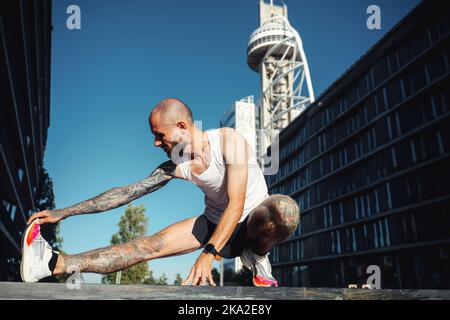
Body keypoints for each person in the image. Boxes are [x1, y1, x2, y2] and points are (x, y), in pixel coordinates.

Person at [21, 98, 300, 287]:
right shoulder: (175, 166)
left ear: (181, 127)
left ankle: (258, 256)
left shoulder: (230, 141)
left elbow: (237, 204)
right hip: (215, 227)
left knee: (283, 210)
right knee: (146, 247)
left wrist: (208, 254)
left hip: (254, 224)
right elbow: (126, 193)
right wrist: (66, 212)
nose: (156, 143)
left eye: (159, 135)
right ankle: (51, 263)